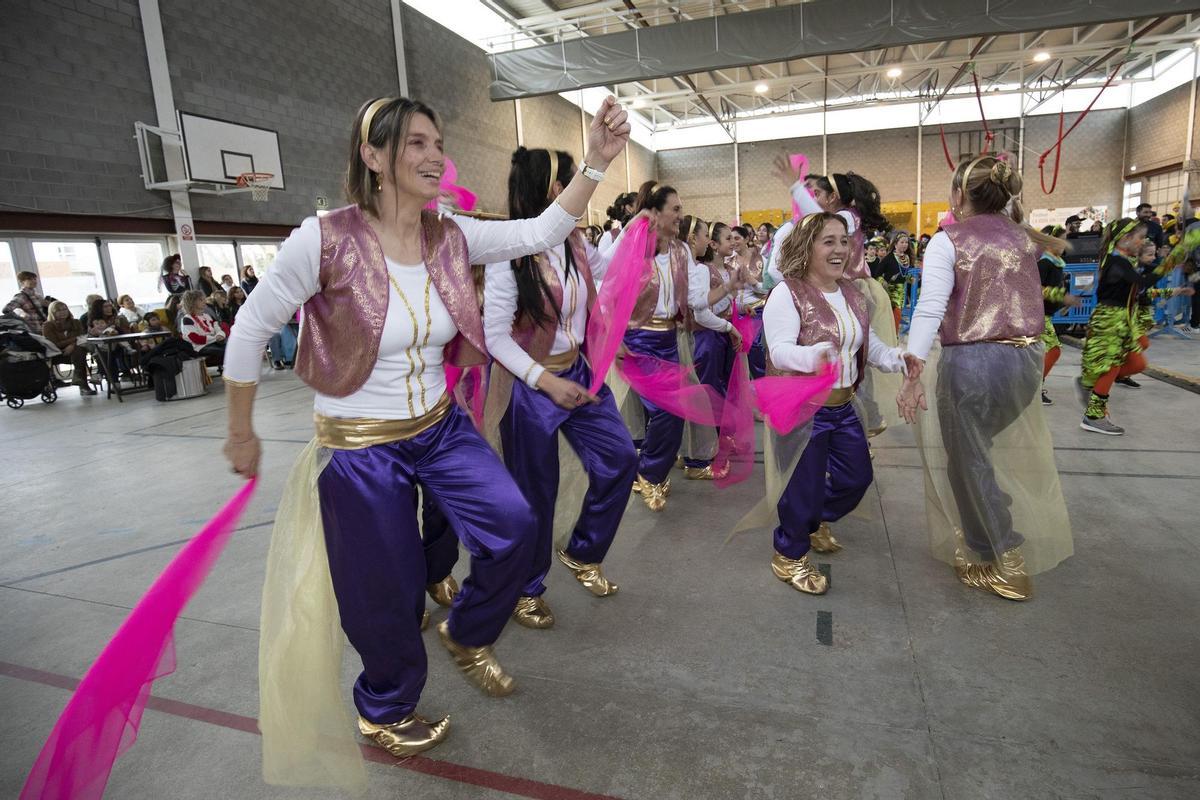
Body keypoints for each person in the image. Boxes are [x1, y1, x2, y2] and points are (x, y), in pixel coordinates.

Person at [222, 94, 629, 775]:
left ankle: (467, 634)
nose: (434, 154)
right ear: (373, 155)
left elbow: (539, 231)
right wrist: (241, 430)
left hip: (440, 428)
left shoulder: (452, 235)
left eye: (437, 142)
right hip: (358, 445)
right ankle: (383, 707)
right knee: (383, 589)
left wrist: (595, 162)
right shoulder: (322, 239)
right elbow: (250, 327)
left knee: (514, 524)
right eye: (415, 143)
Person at [900, 154, 1074, 601]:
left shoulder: (948, 240)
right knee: (975, 453)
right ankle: (989, 529)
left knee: (967, 458)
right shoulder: (1022, 238)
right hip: (1026, 364)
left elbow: (930, 306)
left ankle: (1005, 556)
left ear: (959, 195)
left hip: (975, 365)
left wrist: (913, 367)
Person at [481, 146, 637, 631]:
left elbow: (610, 271)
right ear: (550, 189)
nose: (581, 190)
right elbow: (494, 336)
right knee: (536, 490)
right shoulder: (509, 251)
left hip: (579, 373)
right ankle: (526, 587)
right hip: (530, 385)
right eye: (571, 180)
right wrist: (544, 381)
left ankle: (583, 551)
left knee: (621, 459)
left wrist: (642, 229)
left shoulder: (573, 241)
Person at [760, 213, 907, 593]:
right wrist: (812, 358)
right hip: (802, 407)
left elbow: (866, 346)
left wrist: (897, 359)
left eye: (844, 240)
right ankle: (789, 554)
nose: (840, 249)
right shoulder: (787, 292)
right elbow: (778, 350)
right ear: (807, 247)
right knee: (801, 485)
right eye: (829, 241)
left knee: (856, 478)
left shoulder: (853, 295)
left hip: (843, 406)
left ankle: (811, 519)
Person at [621, 182, 707, 510]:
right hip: (639, 340)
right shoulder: (634, 247)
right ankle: (649, 473)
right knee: (666, 411)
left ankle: (650, 469)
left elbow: (690, 297)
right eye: (675, 209)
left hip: (669, 339)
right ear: (655, 213)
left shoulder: (680, 251)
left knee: (676, 409)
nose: (680, 216)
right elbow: (609, 282)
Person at [1076, 219, 1193, 433]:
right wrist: (1171, 260)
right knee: (1110, 367)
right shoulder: (1116, 262)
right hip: (1110, 319)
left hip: (1124, 320)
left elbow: (1141, 287)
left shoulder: (1124, 260)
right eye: (1140, 237)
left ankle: (1089, 383)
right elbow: (1143, 283)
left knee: (1137, 364)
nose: (1143, 242)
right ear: (1125, 239)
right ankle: (1093, 415)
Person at [679, 217, 744, 479]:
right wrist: (729, 327)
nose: (708, 241)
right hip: (704, 337)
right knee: (705, 395)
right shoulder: (699, 269)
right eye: (707, 235)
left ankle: (695, 450)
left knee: (701, 393)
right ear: (694, 238)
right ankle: (698, 456)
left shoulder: (681, 264)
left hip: (695, 337)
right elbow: (702, 311)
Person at [1036, 225, 1080, 405]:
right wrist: (1062, 296)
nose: (1065, 244)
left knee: (1046, 352)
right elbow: (1037, 289)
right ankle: (1035, 389)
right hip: (1039, 315)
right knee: (1053, 350)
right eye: (1062, 240)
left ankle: (1035, 387)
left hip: (1048, 314)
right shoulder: (1044, 263)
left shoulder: (1056, 263)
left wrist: (1063, 303)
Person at [41, 301, 95, 395]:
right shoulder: (47, 325)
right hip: (58, 353)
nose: (63, 312)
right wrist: (74, 340)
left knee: (79, 350)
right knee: (79, 351)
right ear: (52, 312)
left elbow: (82, 338)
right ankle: (83, 384)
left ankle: (82, 382)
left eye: (65, 309)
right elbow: (54, 344)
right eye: (58, 310)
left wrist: (72, 345)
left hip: (77, 350)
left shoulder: (76, 322)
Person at [876, 230, 912, 331]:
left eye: (906, 242)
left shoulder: (907, 258)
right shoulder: (888, 258)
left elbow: (907, 275)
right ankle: (890, 337)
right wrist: (883, 282)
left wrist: (911, 278)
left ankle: (894, 337)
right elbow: (877, 274)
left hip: (901, 291)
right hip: (888, 291)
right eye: (902, 242)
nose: (905, 244)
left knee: (897, 315)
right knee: (893, 315)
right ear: (895, 244)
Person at [178, 288, 226, 361]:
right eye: (201, 300)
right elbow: (195, 338)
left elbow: (218, 328)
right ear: (192, 302)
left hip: (213, 343)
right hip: (199, 347)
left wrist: (221, 335)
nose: (204, 302)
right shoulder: (187, 319)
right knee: (224, 352)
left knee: (232, 348)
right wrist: (215, 338)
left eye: (204, 299)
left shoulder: (207, 316)